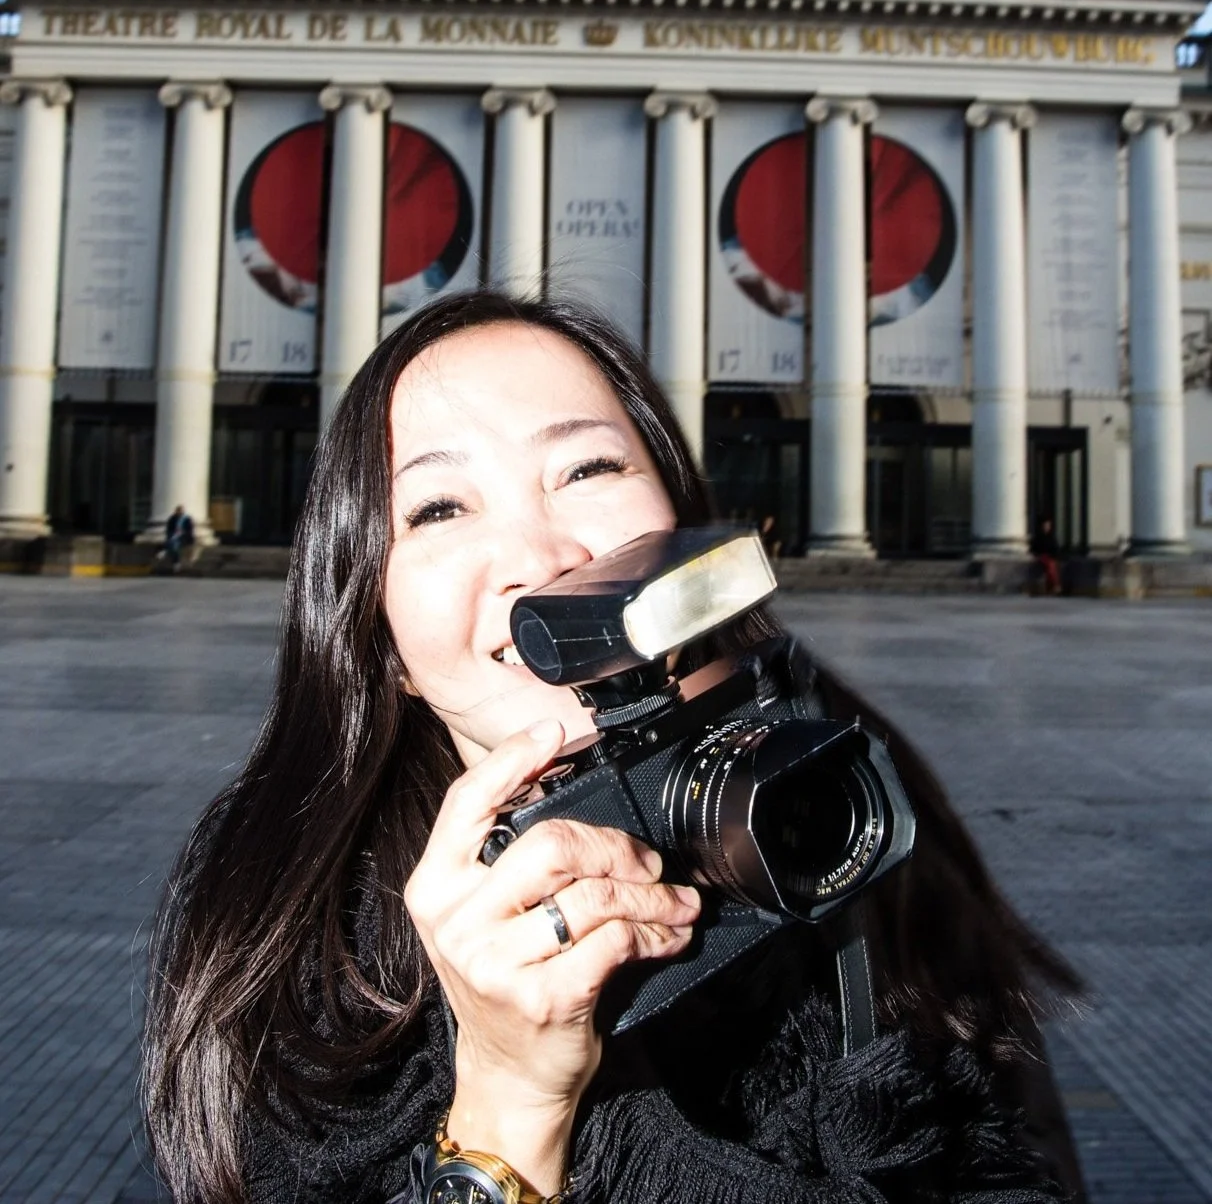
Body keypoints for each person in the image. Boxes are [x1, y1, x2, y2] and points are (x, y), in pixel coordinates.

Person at [142, 292, 1085, 1204]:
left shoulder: (849, 814)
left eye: (587, 471)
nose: (541, 556)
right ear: (381, 642)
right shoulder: (285, 930)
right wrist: (508, 1105)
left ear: (684, 517)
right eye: (438, 508)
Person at [1030, 517, 1062, 596]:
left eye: (1048, 526)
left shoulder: (1051, 537)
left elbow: (1055, 548)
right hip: (1042, 556)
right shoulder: (1038, 537)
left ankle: (1052, 587)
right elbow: (1034, 549)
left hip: (1050, 557)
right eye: (1045, 526)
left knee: (1051, 566)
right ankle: (1055, 586)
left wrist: (1054, 555)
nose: (1047, 527)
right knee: (1050, 565)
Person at [163, 505, 195, 571]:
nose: (179, 512)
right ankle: (169, 554)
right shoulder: (172, 518)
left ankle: (174, 560)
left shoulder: (186, 519)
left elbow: (189, 530)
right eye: (178, 511)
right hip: (174, 535)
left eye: (180, 511)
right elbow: (169, 529)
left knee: (174, 545)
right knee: (172, 542)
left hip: (183, 537)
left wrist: (183, 534)